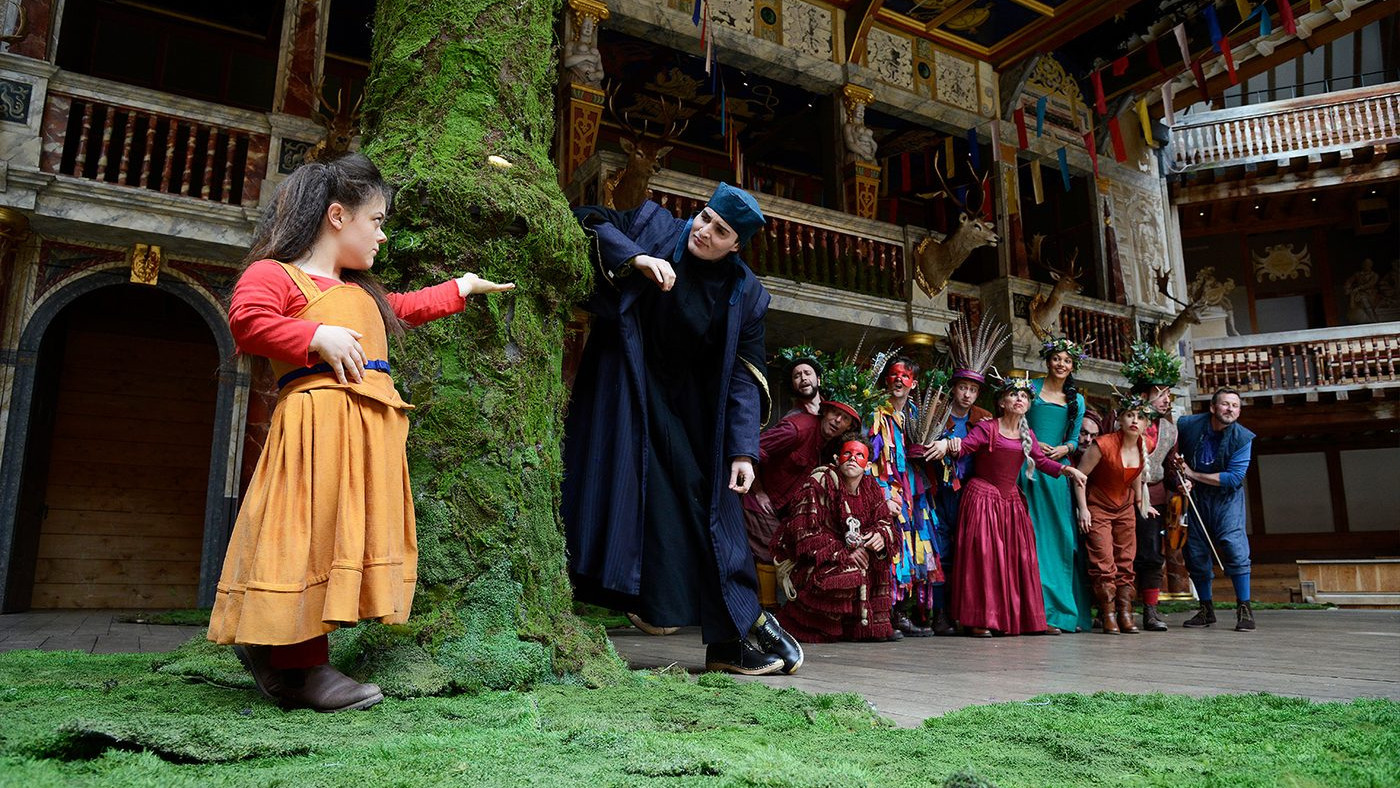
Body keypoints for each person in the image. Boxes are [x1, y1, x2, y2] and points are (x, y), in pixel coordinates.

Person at [207, 153, 514, 712]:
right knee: (307, 539)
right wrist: (314, 336)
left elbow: (402, 309)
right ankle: (298, 666)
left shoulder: (362, 291)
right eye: (376, 221)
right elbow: (247, 321)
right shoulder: (274, 274)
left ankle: (280, 653)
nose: (382, 236)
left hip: (362, 435)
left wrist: (461, 287)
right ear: (337, 216)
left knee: (335, 542)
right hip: (314, 432)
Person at [561, 182, 804, 676]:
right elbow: (587, 219)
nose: (705, 231)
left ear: (736, 246)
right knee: (644, 504)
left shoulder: (747, 295)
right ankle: (733, 632)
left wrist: (743, 451)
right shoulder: (653, 226)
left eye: (721, 231)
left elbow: (745, 376)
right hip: (625, 389)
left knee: (706, 507)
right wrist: (636, 258)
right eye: (706, 217)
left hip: (692, 413)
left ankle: (735, 637)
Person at [928, 376, 1088, 637]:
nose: (1019, 399)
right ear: (1002, 402)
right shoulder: (987, 428)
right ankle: (979, 619)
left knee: (1017, 558)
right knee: (985, 559)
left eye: (1024, 396)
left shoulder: (1028, 435)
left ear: (1029, 405)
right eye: (1013, 395)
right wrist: (947, 444)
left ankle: (1017, 617)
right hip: (982, 499)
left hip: (1010, 503)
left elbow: (1042, 462)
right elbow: (964, 447)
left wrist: (1068, 470)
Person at [770, 434, 897, 643]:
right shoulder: (819, 482)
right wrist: (846, 553)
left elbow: (884, 521)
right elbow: (804, 535)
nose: (853, 458)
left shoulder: (871, 487)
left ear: (867, 465)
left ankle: (861, 628)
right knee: (849, 572)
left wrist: (879, 537)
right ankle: (812, 626)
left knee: (879, 562)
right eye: (848, 453)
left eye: (859, 455)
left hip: (852, 553)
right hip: (810, 561)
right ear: (837, 459)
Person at [743, 393, 860, 611]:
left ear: (849, 427)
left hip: (784, 509)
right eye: (835, 413)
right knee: (770, 545)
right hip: (758, 496)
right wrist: (758, 490)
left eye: (844, 418)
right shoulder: (798, 429)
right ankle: (768, 609)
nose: (837, 421)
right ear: (825, 411)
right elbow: (753, 449)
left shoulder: (830, 446)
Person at [927, 315, 1005, 635]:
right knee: (939, 551)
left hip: (970, 495)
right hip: (938, 492)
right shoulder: (935, 413)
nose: (967, 394)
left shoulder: (984, 418)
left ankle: (964, 612)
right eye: (963, 387)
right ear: (954, 388)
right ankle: (939, 613)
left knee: (967, 552)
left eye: (973, 389)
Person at [1021, 337, 1093, 634]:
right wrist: (1035, 445)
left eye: (1067, 360)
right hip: (1028, 469)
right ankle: (1034, 610)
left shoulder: (1077, 400)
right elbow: (1017, 423)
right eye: (1056, 358)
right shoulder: (1030, 388)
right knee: (1032, 537)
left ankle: (1062, 611)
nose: (1061, 364)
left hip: (1058, 474)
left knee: (1061, 537)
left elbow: (1075, 438)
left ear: (1073, 366)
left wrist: (1065, 448)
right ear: (1047, 360)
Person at [868, 353, 941, 637]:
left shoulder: (918, 415)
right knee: (889, 545)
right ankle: (881, 614)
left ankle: (900, 612)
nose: (899, 380)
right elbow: (869, 455)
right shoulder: (874, 412)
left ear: (914, 383)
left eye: (905, 376)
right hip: (884, 487)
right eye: (894, 375)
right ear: (886, 379)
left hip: (914, 490)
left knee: (911, 548)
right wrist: (881, 492)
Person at [1074, 396, 1157, 635]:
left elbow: (1136, 475)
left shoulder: (1146, 444)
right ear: (1120, 419)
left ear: (1146, 424)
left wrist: (1141, 503)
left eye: (1140, 417)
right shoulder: (1102, 444)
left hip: (1125, 507)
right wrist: (1083, 509)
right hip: (1098, 506)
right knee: (1103, 561)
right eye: (1130, 415)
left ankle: (1125, 613)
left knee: (1126, 560)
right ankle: (1108, 614)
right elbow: (1079, 476)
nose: (1134, 421)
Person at [1176, 388, 1258, 632]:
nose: (1230, 409)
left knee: (1234, 545)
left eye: (1235, 406)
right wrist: (1181, 476)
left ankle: (1244, 608)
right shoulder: (1187, 425)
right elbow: (1172, 451)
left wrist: (1193, 474)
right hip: (1195, 495)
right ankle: (1205, 609)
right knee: (1195, 550)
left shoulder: (1243, 438)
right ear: (1213, 407)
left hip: (1226, 497)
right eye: (1225, 404)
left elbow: (1234, 478)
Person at [1121, 341, 1186, 632]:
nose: (1166, 399)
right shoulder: (1122, 422)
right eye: (1161, 394)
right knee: (1120, 552)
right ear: (1143, 396)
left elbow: (1170, 467)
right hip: (1121, 495)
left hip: (1154, 498)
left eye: (1168, 394)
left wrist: (1181, 480)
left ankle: (1150, 610)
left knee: (1151, 554)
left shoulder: (1170, 429)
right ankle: (1119, 608)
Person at [775, 344, 824, 417]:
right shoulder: (791, 419)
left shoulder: (835, 412)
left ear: (818, 380)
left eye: (807, 373)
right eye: (797, 376)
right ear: (793, 385)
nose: (803, 378)